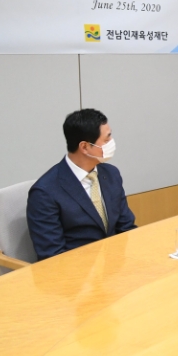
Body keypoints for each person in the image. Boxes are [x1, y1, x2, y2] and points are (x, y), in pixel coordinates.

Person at [27, 109, 137, 261]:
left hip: (115, 266)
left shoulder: (111, 174)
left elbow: (126, 228)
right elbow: (52, 256)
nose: (111, 143)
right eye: (106, 140)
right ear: (84, 147)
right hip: (76, 274)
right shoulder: (45, 192)